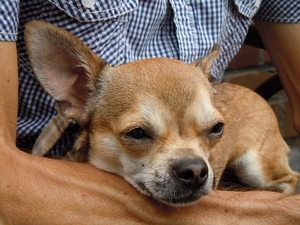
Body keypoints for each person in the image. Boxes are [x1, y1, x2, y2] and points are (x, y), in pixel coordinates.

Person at [0, 0, 300, 224]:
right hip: (35, 174)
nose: (194, 168)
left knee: (261, 175)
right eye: (139, 133)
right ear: (79, 94)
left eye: (213, 129)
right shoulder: (89, 89)